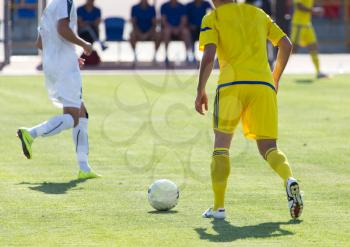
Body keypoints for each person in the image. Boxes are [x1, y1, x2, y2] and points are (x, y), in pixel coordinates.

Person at [195, 0, 303, 219]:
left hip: (231, 86)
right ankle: (289, 179)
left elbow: (209, 56)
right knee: (269, 148)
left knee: (221, 147)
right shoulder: (258, 13)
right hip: (263, 86)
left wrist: (200, 91)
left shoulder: (212, 18)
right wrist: (275, 78)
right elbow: (286, 44)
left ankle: (218, 208)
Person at [17, 0, 100, 180]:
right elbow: (63, 29)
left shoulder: (50, 6)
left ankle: (84, 168)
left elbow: (40, 42)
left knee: (82, 113)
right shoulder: (65, 1)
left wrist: (68, 55)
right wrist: (84, 44)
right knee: (72, 117)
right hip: (64, 66)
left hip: (55, 64)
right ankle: (30, 134)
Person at [291, 0, 328, 78]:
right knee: (292, 50)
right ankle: (276, 70)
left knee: (313, 46)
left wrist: (318, 7)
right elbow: (298, 6)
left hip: (307, 24)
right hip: (298, 25)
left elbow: (312, 2)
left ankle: (318, 72)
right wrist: (314, 10)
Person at [161, 0, 192, 65]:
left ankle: (188, 55)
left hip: (179, 30)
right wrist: (172, 29)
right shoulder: (164, 6)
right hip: (169, 30)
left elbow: (184, 20)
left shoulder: (182, 6)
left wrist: (178, 29)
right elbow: (164, 21)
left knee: (186, 32)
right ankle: (166, 56)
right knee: (166, 31)